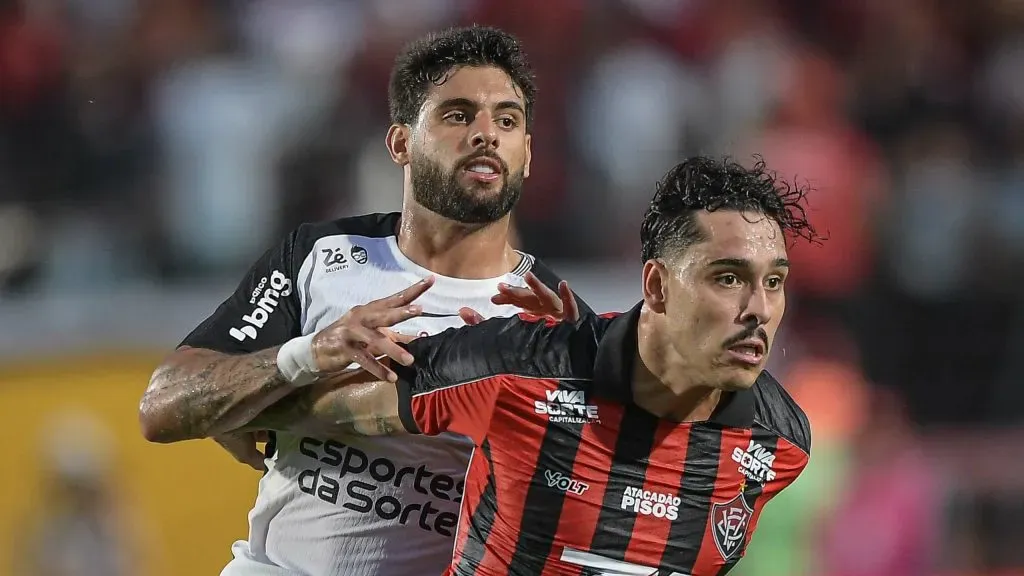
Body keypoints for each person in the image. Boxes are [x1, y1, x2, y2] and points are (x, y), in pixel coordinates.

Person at [138, 26, 592, 576]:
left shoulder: (556, 322)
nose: (485, 135)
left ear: (527, 156)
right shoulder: (321, 257)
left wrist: (576, 400)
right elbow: (162, 407)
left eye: (507, 120)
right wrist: (303, 357)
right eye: (457, 115)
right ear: (400, 142)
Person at [234, 156, 818, 575]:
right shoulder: (514, 364)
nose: (759, 311)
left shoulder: (779, 444)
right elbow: (334, 408)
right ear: (659, 287)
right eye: (729, 278)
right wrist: (258, 399)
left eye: (774, 283)